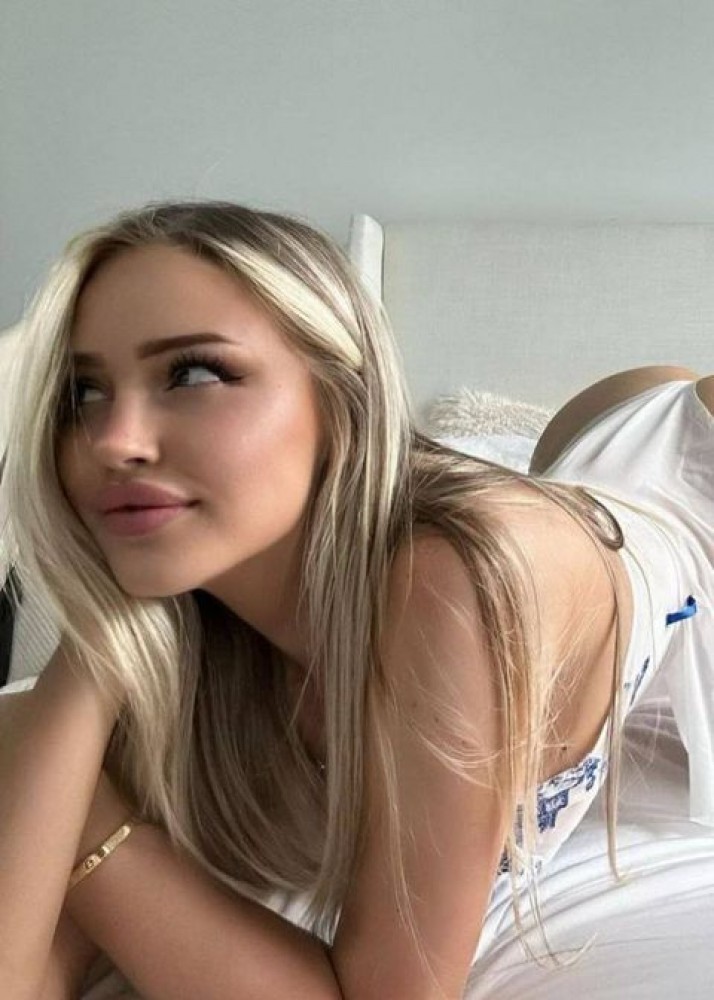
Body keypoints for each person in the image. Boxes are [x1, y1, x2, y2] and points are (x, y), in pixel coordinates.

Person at [0, 199, 711, 1000]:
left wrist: (78, 805)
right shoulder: (188, 611)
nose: (114, 441)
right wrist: (85, 664)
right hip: (585, 467)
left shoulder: (443, 588)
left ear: (340, 396)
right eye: (84, 393)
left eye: (194, 373)